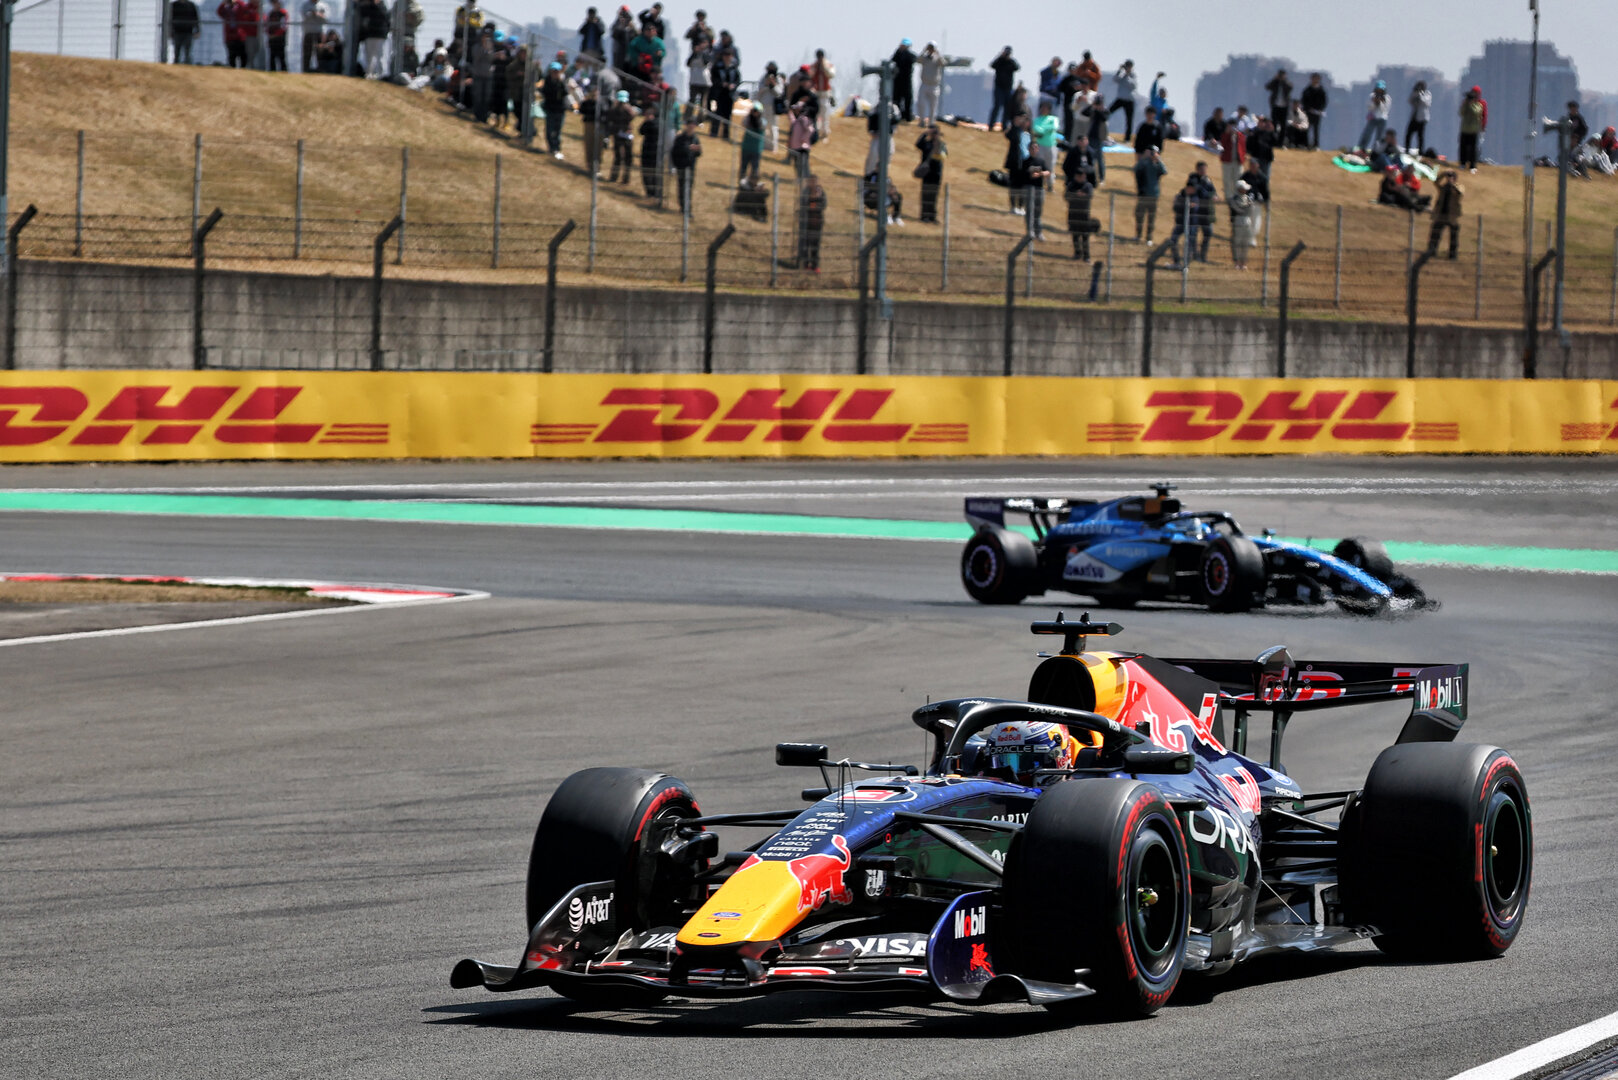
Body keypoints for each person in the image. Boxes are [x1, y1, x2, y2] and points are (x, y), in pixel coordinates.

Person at [960, 722, 1085, 785]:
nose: (1012, 775)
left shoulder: (1079, 796)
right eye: (1004, 761)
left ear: (1057, 756)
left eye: (1027, 762)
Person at [1132, 145, 1167, 242]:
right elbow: (1136, 169)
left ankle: (1149, 237)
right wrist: (1143, 157)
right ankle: (1138, 235)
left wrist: (1158, 160)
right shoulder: (1144, 163)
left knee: (1151, 218)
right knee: (1139, 215)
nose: (1153, 154)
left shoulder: (1157, 164)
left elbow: (1164, 171)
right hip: (1143, 194)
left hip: (1154, 195)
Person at [1427, 170, 1463, 259]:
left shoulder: (1459, 187)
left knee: (1453, 236)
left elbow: (1460, 192)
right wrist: (1444, 174)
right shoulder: (1443, 188)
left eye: (1451, 177)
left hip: (1452, 216)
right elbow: (1436, 182)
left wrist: (1452, 185)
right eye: (1448, 177)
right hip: (1440, 215)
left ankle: (1452, 255)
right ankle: (1431, 251)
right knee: (1435, 234)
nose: (1449, 179)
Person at [671, 117, 702, 214]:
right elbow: (674, 152)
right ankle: (683, 207)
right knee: (682, 188)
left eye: (693, 124)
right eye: (690, 124)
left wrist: (697, 150)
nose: (692, 126)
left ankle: (687, 209)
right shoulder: (680, 138)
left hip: (691, 167)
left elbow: (699, 153)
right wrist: (687, 149)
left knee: (688, 189)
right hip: (681, 166)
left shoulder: (695, 139)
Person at [915, 124, 945, 222]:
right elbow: (918, 144)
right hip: (927, 172)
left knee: (934, 195)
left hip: (936, 173)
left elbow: (943, 156)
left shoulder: (941, 144)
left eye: (936, 133)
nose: (935, 135)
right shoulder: (926, 144)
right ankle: (924, 216)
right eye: (934, 133)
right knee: (926, 195)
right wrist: (925, 133)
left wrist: (937, 144)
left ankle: (932, 216)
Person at [709, 48, 740, 139]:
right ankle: (714, 132)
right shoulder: (717, 67)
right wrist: (722, 84)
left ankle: (726, 135)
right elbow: (713, 79)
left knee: (727, 115)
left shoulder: (734, 68)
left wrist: (733, 86)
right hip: (718, 94)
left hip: (729, 95)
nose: (727, 57)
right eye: (725, 55)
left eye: (729, 55)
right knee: (717, 114)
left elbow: (737, 80)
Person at [540, 61, 569, 156]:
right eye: (553, 71)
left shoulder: (562, 81)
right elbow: (545, 93)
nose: (555, 73)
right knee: (549, 129)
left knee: (557, 130)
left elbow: (565, 92)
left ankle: (556, 148)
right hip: (550, 109)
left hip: (560, 109)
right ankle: (551, 147)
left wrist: (560, 83)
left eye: (557, 71)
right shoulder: (547, 80)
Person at [798, 173, 826, 271]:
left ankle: (815, 265)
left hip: (817, 222)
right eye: (811, 181)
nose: (813, 183)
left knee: (816, 245)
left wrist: (817, 199)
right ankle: (806, 265)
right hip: (806, 222)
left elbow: (823, 204)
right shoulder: (806, 191)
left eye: (815, 181)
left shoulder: (821, 191)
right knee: (806, 244)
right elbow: (804, 203)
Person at [605, 89, 635, 182]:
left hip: (625, 134)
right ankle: (615, 177)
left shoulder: (627, 109)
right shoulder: (614, 109)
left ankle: (625, 178)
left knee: (627, 157)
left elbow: (632, 116)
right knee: (618, 156)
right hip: (618, 134)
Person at [1168, 178, 1198, 267]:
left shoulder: (1195, 197)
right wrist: (1187, 205)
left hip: (1191, 224)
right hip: (1180, 223)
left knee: (1189, 244)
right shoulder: (1180, 195)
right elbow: (1175, 207)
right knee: (1173, 240)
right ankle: (1176, 262)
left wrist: (1185, 205)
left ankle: (1186, 265)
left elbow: (1195, 209)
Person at [988, 46, 1018, 131]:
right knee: (997, 106)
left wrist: (1009, 59)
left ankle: (1004, 126)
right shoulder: (999, 61)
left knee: (1007, 108)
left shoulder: (1011, 62)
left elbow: (1017, 67)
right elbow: (992, 65)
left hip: (1008, 88)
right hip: (999, 87)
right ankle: (991, 125)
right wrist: (1000, 57)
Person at [1218, 118, 1246, 206]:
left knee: (1237, 180)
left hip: (1237, 161)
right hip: (1227, 161)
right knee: (1227, 179)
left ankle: (1238, 198)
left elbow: (1243, 148)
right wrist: (1227, 133)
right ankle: (1228, 197)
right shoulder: (1225, 135)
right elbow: (1222, 144)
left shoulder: (1240, 136)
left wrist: (1242, 159)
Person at [1228, 180, 1255, 269]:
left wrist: (1246, 207)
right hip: (1237, 223)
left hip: (1247, 223)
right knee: (1237, 243)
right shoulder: (1233, 199)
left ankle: (1243, 262)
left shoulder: (1248, 198)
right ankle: (1237, 262)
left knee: (1245, 244)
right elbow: (1238, 210)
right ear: (1240, 189)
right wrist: (1246, 207)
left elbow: (1250, 210)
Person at [1032, 100, 1060, 190]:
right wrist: (1047, 130)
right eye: (1042, 108)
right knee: (1039, 166)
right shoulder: (1037, 120)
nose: (1044, 109)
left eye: (1046, 108)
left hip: (1051, 146)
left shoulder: (1053, 119)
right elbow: (1036, 129)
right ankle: (1038, 184)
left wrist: (1043, 130)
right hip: (1040, 146)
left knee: (1050, 166)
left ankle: (1050, 185)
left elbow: (1055, 127)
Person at [1107, 60, 1138, 138]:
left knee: (1129, 119)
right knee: (1108, 112)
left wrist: (1127, 75)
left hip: (1129, 100)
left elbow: (1133, 85)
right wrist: (1119, 70)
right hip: (1120, 99)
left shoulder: (1133, 75)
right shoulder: (1122, 74)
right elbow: (1115, 79)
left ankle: (1127, 137)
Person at [1357, 81, 1390, 152]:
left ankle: (1377, 150)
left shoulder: (1387, 98)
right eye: (1378, 90)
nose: (1379, 91)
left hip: (1382, 119)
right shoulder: (1371, 96)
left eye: (1381, 90)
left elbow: (1385, 109)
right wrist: (1374, 102)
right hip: (1373, 118)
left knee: (1379, 137)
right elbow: (1369, 107)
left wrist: (1380, 102)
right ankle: (1361, 148)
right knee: (1367, 134)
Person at [917, 42, 946, 124]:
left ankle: (931, 122)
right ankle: (922, 120)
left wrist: (937, 53)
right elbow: (918, 60)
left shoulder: (937, 58)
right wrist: (924, 51)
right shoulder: (924, 58)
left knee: (933, 106)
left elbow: (943, 63)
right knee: (921, 104)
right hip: (924, 84)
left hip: (934, 85)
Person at [1458, 86, 1485, 172]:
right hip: (1464, 130)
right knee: (1463, 148)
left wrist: (1471, 104)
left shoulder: (1478, 105)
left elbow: (1476, 112)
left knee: (1473, 149)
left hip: (1473, 131)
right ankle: (1462, 163)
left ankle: (1472, 166)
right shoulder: (1465, 104)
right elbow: (1461, 113)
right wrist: (1465, 104)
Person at [810, 49, 836, 141]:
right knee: (816, 113)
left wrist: (824, 67)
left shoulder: (828, 64)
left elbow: (831, 74)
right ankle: (816, 131)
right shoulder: (814, 65)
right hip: (816, 93)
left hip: (825, 93)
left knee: (825, 113)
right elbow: (810, 75)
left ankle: (825, 132)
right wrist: (817, 67)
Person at [638, 105, 663, 196]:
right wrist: (646, 121)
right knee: (646, 172)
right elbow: (640, 131)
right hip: (646, 150)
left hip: (656, 151)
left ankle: (656, 192)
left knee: (655, 172)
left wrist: (649, 121)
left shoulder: (658, 123)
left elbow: (655, 130)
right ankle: (649, 192)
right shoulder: (647, 123)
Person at [892, 39, 917, 122]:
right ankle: (897, 115)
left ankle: (907, 116)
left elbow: (914, 59)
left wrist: (905, 52)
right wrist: (899, 51)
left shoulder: (910, 55)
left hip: (907, 81)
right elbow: (893, 60)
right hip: (897, 80)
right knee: (896, 99)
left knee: (907, 99)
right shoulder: (897, 54)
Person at [297, 0, 325, 70]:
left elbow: (326, 19)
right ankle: (306, 70)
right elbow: (305, 15)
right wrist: (316, 14)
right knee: (307, 53)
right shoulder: (305, 5)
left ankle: (320, 70)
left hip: (319, 33)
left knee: (320, 54)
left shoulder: (323, 5)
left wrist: (316, 14)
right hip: (308, 33)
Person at [788, 100, 814, 177]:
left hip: (802, 148)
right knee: (797, 167)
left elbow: (810, 130)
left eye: (797, 109)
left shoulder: (804, 119)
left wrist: (803, 139)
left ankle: (806, 182)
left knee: (804, 167)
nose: (795, 111)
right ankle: (800, 182)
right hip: (796, 148)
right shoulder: (798, 120)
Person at [1301, 73, 1327, 149]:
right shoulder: (1307, 90)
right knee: (1307, 128)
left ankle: (1316, 145)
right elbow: (1304, 100)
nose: (1315, 80)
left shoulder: (1321, 91)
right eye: (1314, 78)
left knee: (1316, 129)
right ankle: (1306, 144)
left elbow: (1324, 101)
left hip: (1317, 112)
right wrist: (1308, 108)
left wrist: (1320, 109)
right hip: (1308, 112)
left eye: (1317, 78)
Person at [218, 0, 246, 68]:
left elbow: (243, 7)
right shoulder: (226, 10)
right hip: (229, 37)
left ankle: (243, 69)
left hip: (240, 36)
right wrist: (224, 2)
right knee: (231, 56)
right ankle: (232, 69)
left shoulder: (239, 8)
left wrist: (236, 1)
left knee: (242, 55)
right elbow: (219, 11)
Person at [1406, 80, 1432, 153]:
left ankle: (1421, 151)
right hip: (1414, 117)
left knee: (1420, 136)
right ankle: (1407, 149)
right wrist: (1415, 93)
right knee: (1408, 134)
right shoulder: (1415, 93)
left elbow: (1426, 103)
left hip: (1422, 118)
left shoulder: (1427, 94)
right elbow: (1410, 101)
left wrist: (1420, 94)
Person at [686, 36, 711, 108]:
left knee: (703, 101)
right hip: (694, 80)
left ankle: (701, 117)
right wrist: (694, 53)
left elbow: (706, 62)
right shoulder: (693, 55)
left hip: (704, 81)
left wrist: (701, 52)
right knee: (692, 100)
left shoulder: (707, 53)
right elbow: (688, 63)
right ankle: (688, 117)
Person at [609, 6, 634, 71]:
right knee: (618, 69)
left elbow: (634, 35)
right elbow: (614, 34)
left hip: (629, 51)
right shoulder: (617, 24)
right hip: (618, 51)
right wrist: (621, 24)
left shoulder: (631, 26)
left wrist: (630, 25)